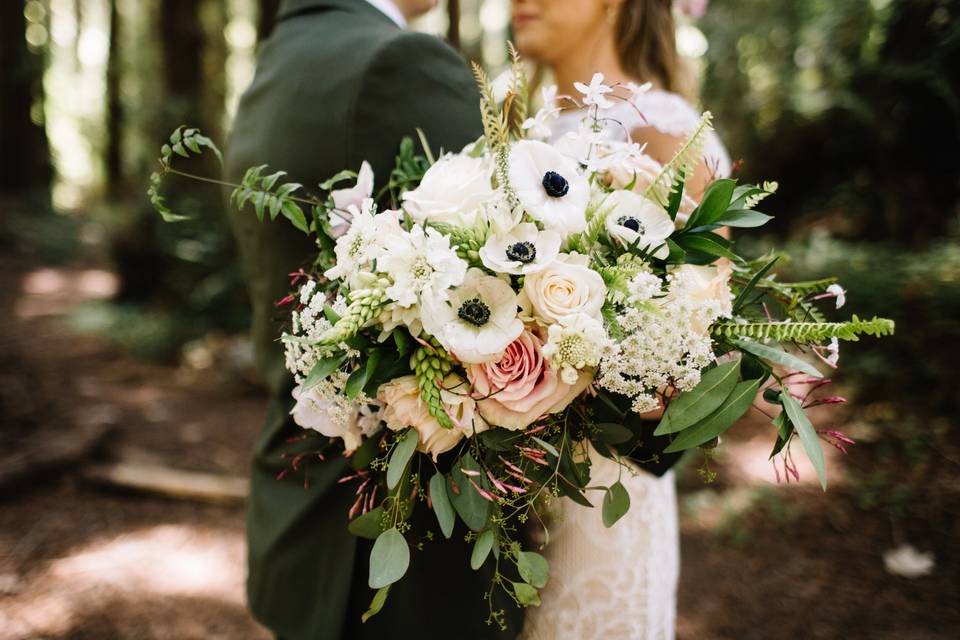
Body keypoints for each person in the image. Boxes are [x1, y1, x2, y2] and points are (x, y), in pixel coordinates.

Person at [224, 1, 521, 638]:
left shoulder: (284, 54)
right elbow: (512, 251)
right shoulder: (397, 63)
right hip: (398, 564)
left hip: (299, 523)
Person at [511, 0, 732, 638]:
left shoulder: (666, 132)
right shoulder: (508, 127)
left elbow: (711, 330)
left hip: (605, 501)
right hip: (490, 494)